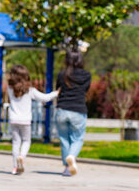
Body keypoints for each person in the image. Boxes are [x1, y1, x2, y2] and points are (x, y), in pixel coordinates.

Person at [7, 65, 59, 175]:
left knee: (16, 142)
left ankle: (15, 168)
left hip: (13, 119)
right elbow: (45, 98)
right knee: (26, 141)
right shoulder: (30, 90)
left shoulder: (10, 88)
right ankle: (22, 156)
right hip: (25, 120)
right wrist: (56, 93)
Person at [55, 49, 91, 177]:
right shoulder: (86, 75)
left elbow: (58, 89)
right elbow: (86, 90)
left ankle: (66, 168)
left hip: (62, 110)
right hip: (78, 110)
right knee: (77, 138)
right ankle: (72, 156)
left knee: (64, 140)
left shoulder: (62, 74)